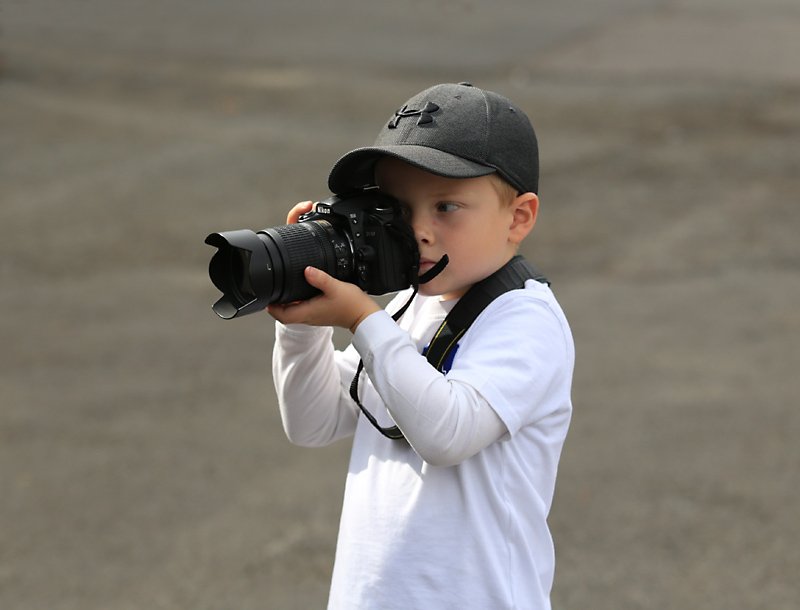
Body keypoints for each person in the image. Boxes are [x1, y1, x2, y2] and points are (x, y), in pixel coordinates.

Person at [268, 82, 574, 610]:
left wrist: (361, 318)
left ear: (519, 218)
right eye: (397, 208)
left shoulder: (525, 319)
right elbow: (313, 422)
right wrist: (303, 316)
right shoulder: (407, 309)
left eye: (446, 207)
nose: (418, 231)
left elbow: (448, 433)